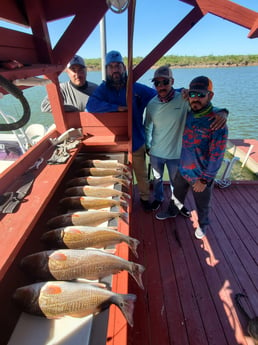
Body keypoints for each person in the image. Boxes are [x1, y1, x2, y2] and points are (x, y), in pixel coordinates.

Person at [145, 66, 227, 215]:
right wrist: (147, 145)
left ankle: (177, 205)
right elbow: (147, 127)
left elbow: (204, 107)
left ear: (172, 81)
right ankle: (158, 199)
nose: (161, 86)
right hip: (156, 152)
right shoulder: (151, 104)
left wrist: (223, 112)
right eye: (157, 83)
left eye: (165, 81)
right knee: (156, 180)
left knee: (176, 184)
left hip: (177, 154)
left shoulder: (184, 98)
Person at [86, 50, 157, 211]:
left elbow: (157, 96)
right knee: (119, 176)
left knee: (141, 173)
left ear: (124, 68)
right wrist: (116, 108)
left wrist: (182, 93)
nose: (115, 69)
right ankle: (122, 200)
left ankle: (145, 199)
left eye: (118, 65)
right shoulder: (103, 89)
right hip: (116, 142)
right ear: (107, 70)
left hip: (137, 139)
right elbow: (91, 106)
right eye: (111, 67)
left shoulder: (135, 87)